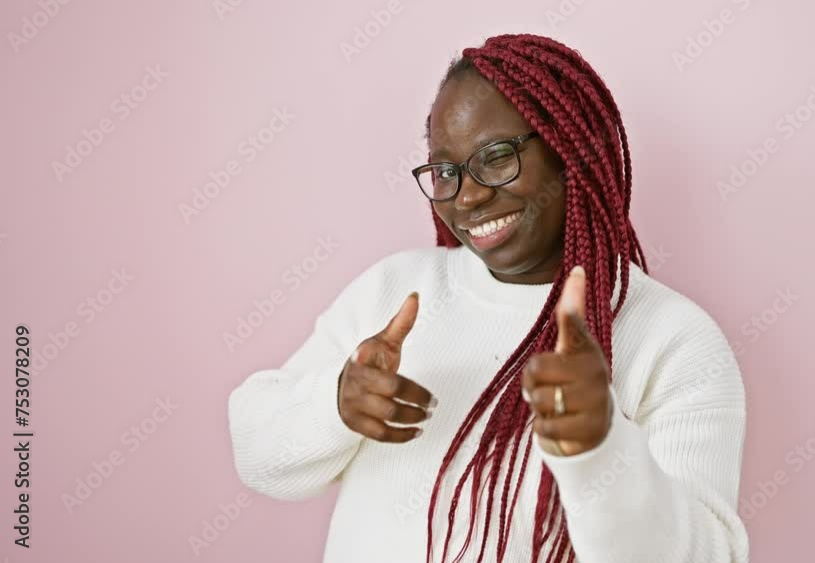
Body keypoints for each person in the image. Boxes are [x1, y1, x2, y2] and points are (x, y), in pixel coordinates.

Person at [228, 33, 749, 563]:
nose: (469, 195)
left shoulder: (675, 340)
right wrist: (334, 405)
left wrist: (601, 446)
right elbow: (256, 453)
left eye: (497, 157)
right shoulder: (395, 290)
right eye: (446, 171)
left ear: (570, 150)